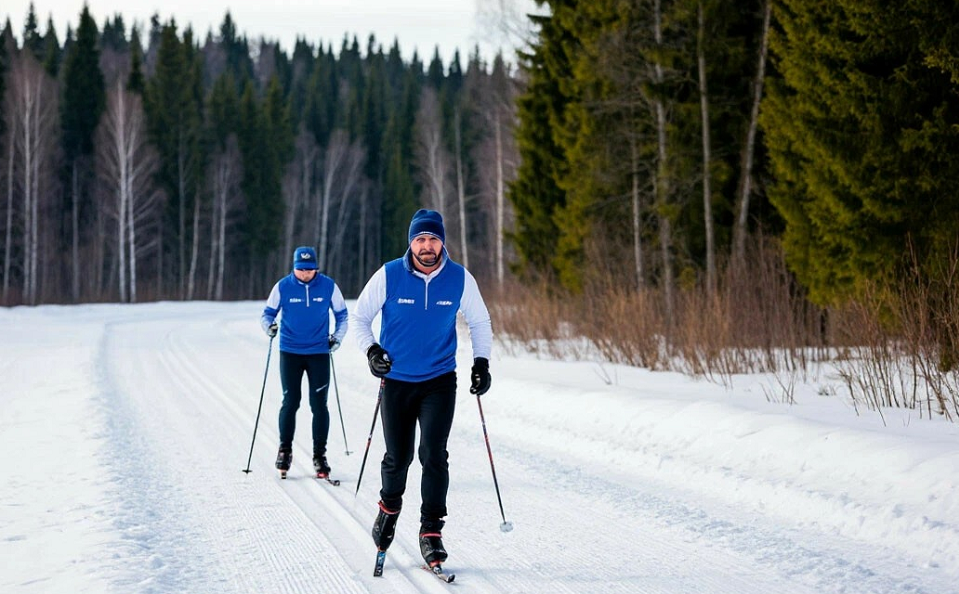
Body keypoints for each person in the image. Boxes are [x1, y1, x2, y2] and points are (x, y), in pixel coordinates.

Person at [352, 209, 492, 568]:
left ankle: (431, 531)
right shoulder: (389, 275)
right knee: (398, 457)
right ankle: (388, 509)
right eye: (420, 239)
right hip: (397, 380)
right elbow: (360, 318)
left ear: (442, 241)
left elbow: (479, 320)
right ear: (410, 242)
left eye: (432, 239)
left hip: (439, 380)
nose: (426, 246)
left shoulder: (459, 278)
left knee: (434, 454)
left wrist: (481, 363)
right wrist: (372, 351)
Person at [261, 246, 348, 479]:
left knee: (319, 405)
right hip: (290, 351)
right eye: (301, 269)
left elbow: (342, 315)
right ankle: (284, 451)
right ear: (294, 267)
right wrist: (269, 327)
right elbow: (267, 314)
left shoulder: (328, 286)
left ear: (316, 268)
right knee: (291, 401)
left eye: (310, 269)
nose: (305, 274)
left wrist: (337, 339)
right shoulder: (283, 286)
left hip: (319, 352)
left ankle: (320, 456)